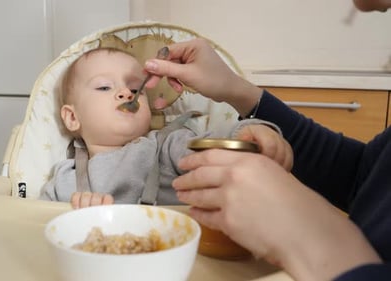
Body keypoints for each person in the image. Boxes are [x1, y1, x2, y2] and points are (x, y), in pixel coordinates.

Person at [141, 1, 391, 280]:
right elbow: (365, 177)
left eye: (132, 89)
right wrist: (237, 89)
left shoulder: (170, 140)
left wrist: (314, 238)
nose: (125, 95)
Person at [39, 47, 293, 209]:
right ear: (72, 117)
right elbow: (33, 229)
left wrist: (247, 135)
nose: (126, 92)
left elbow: (212, 148)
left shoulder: (166, 146)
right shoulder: (63, 179)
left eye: (134, 87)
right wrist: (71, 218)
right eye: (105, 87)